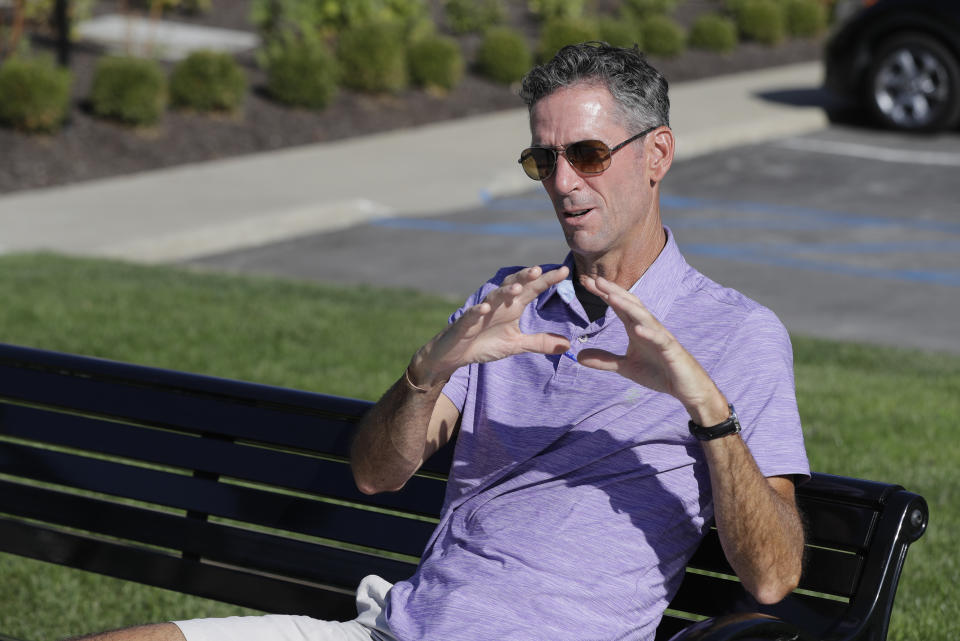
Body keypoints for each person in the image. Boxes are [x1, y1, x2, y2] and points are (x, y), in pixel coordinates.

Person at [74, 43, 808, 641]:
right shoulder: (511, 301)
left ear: (657, 154)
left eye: (586, 153)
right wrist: (428, 373)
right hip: (397, 626)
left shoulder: (738, 333)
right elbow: (375, 474)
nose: (562, 181)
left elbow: (773, 577)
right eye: (541, 160)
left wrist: (703, 403)